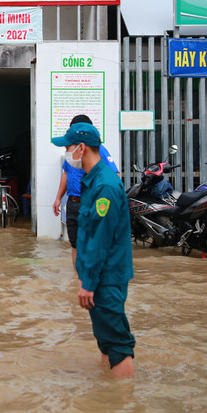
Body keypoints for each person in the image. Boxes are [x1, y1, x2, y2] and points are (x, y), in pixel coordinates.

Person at [52, 122, 135, 378]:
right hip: (98, 277)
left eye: (67, 147)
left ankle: (124, 400)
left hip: (106, 278)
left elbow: (101, 240)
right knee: (105, 338)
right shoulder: (93, 181)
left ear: (81, 148)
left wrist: (88, 283)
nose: (66, 153)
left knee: (117, 343)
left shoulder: (105, 187)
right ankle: (106, 393)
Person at [52, 114, 119, 271]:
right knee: (76, 245)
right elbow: (66, 174)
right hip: (73, 203)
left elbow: (114, 176)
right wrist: (58, 198)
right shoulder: (72, 155)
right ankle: (79, 281)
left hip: (90, 204)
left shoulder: (99, 151)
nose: (67, 149)